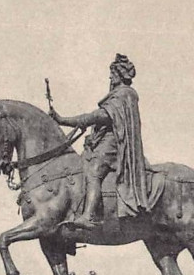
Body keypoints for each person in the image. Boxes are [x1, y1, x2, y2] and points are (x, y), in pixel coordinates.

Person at [50, 54, 151, 226]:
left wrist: (63, 120)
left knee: (94, 171)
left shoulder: (124, 94)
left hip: (115, 142)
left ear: (119, 74)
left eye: (112, 73)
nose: (110, 77)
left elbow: (101, 116)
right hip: (104, 140)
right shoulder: (117, 95)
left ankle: (88, 215)